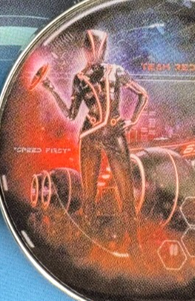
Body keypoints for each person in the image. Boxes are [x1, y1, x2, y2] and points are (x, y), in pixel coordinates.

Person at [41, 29, 147, 242]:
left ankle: (135, 245)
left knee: (126, 192)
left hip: (113, 134)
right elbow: (71, 114)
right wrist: (51, 89)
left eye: (98, 47)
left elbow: (142, 94)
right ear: (85, 49)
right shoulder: (80, 79)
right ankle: (89, 242)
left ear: (104, 49)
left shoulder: (116, 71)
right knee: (89, 196)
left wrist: (132, 120)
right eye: (90, 48)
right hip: (90, 137)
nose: (94, 52)